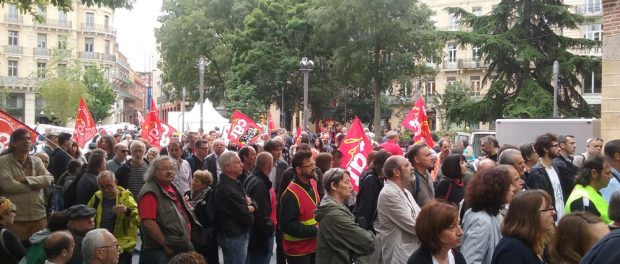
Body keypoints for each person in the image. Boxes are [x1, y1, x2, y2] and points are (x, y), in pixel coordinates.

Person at [138, 156, 197, 264]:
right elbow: (148, 223)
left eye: (172, 168)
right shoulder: (150, 192)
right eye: (165, 168)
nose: (170, 171)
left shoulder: (171, 186)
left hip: (177, 246)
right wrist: (165, 244)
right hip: (161, 250)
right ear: (155, 172)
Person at [0, 128, 54, 241]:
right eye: (22, 139)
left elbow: (49, 179)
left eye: (29, 138)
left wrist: (26, 179)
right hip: (15, 219)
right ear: (13, 143)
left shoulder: (37, 161)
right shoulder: (3, 161)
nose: (27, 141)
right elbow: (8, 185)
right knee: (16, 256)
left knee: (38, 254)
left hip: (39, 217)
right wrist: (36, 185)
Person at [315, 168, 374, 264]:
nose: (351, 186)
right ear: (333, 185)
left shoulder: (335, 207)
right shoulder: (334, 215)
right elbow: (367, 242)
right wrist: (370, 233)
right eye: (346, 182)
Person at [461, 166, 515, 264]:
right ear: (497, 190)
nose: (513, 189)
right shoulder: (481, 221)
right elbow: (471, 259)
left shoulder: (492, 214)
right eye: (508, 186)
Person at [86, 172, 139, 264]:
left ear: (116, 182)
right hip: (101, 245)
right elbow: (87, 213)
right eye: (102, 187)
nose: (106, 190)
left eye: (109, 186)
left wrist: (127, 211)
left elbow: (139, 219)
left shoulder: (126, 197)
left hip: (122, 246)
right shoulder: (97, 197)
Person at [376, 155, 421, 264]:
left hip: (412, 252)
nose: (412, 168)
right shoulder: (388, 194)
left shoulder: (406, 191)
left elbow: (421, 217)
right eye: (407, 165)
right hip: (399, 256)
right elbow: (412, 225)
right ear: (396, 172)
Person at [491, 190, 555, 264]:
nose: (553, 212)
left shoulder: (534, 243)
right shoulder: (512, 250)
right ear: (531, 215)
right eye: (548, 209)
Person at [280, 151, 320, 264]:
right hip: (298, 252)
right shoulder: (290, 194)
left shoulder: (313, 183)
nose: (314, 168)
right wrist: (316, 230)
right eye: (310, 165)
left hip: (314, 246)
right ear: (298, 170)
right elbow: (287, 226)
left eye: (314, 164)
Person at [214, 151, 254, 264]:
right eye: (238, 162)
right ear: (228, 167)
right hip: (234, 237)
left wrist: (250, 206)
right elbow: (246, 216)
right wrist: (251, 207)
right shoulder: (227, 189)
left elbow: (249, 201)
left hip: (238, 234)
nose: (242, 164)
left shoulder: (234, 183)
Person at [244, 152, 275, 264]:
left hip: (254, 234)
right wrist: (270, 229)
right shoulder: (260, 184)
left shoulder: (251, 178)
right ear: (269, 166)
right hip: (259, 236)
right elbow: (261, 214)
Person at [527, 133, 568, 219]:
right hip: (550, 220)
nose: (559, 149)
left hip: (560, 218)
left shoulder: (555, 168)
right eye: (555, 146)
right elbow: (539, 203)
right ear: (545, 149)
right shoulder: (537, 173)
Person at [565, 155, 612, 224]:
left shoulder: (592, 192)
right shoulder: (582, 200)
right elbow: (586, 232)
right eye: (607, 173)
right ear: (594, 173)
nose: (611, 176)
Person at [185, 170, 218, 264]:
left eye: (196, 181)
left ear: (204, 184)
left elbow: (210, 216)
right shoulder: (187, 194)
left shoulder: (211, 195)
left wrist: (192, 209)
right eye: (193, 180)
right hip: (192, 234)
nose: (193, 183)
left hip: (206, 236)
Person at [354, 151, 391, 233]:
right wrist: (366, 231)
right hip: (370, 229)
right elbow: (365, 207)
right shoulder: (371, 181)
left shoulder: (380, 179)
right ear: (383, 166)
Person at [0, 197, 25, 263]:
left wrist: (29, 241)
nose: (15, 214)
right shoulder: (5, 234)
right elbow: (23, 255)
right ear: (3, 214)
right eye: (13, 211)